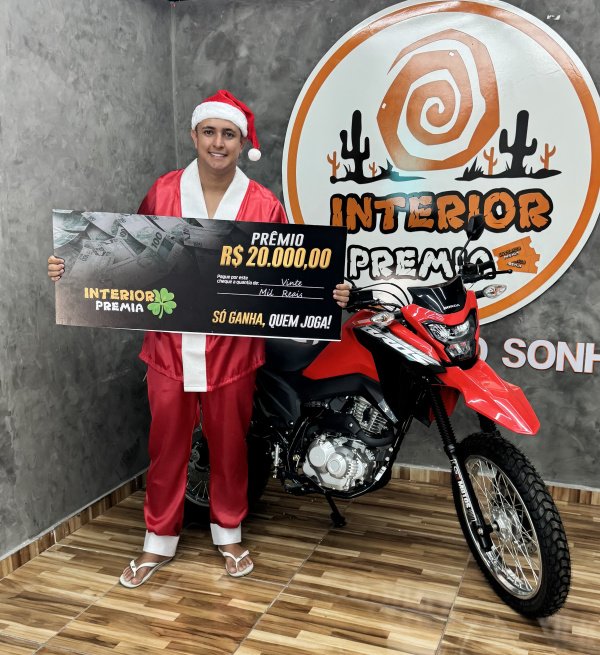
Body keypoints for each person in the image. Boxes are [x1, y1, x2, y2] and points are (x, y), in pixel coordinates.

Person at [48, 89, 350, 585]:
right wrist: (73, 269)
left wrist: (326, 292)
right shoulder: (164, 191)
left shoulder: (263, 204)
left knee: (229, 445)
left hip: (233, 350)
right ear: (194, 135)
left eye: (228, 134)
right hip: (169, 346)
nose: (217, 142)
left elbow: (289, 273)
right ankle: (157, 539)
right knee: (166, 446)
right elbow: (127, 257)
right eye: (209, 131)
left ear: (241, 142)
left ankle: (228, 531)